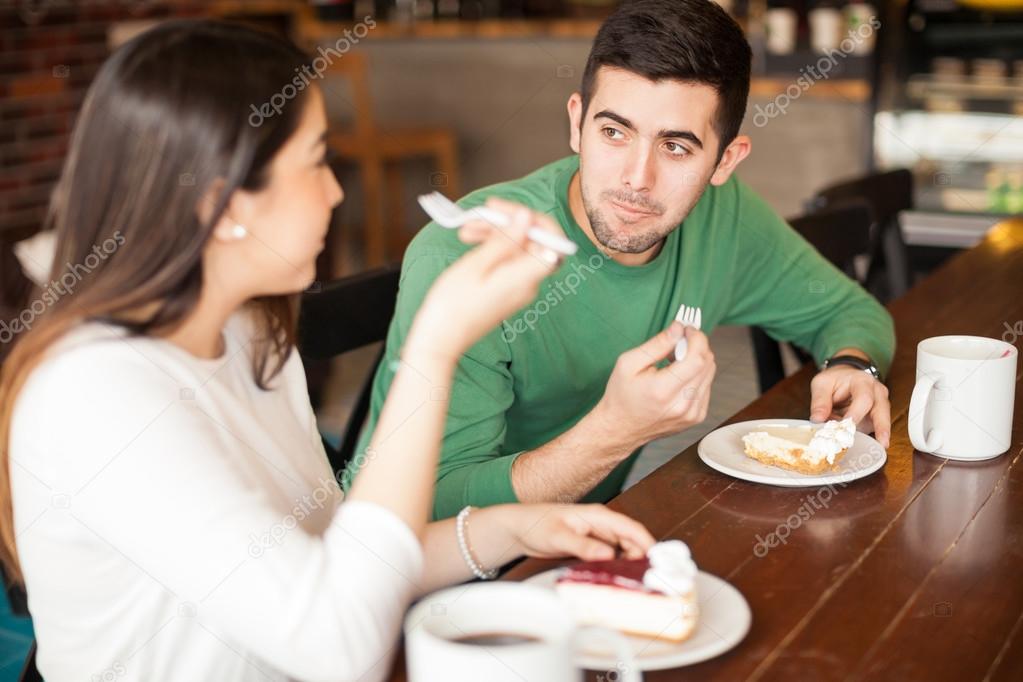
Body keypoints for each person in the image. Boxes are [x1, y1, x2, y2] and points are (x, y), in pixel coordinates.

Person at [0, 21, 655, 682]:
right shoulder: (96, 395)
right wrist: (435, 344)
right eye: (316, 161)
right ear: (219, 203)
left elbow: (346, 564)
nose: (336, 192)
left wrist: (512, 531)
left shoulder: (248, 331)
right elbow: (340, 647)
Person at [348, 0, 895, 519]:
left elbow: (850, 312)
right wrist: (615, 432)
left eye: (675, 147)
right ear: (575, 123)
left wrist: (852, 365)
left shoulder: (723, 216)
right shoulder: (467, 256)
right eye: (614, 132)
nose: (637, 178)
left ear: (725, 160)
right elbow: (416, 510)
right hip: (427, 581)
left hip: (581, 544)